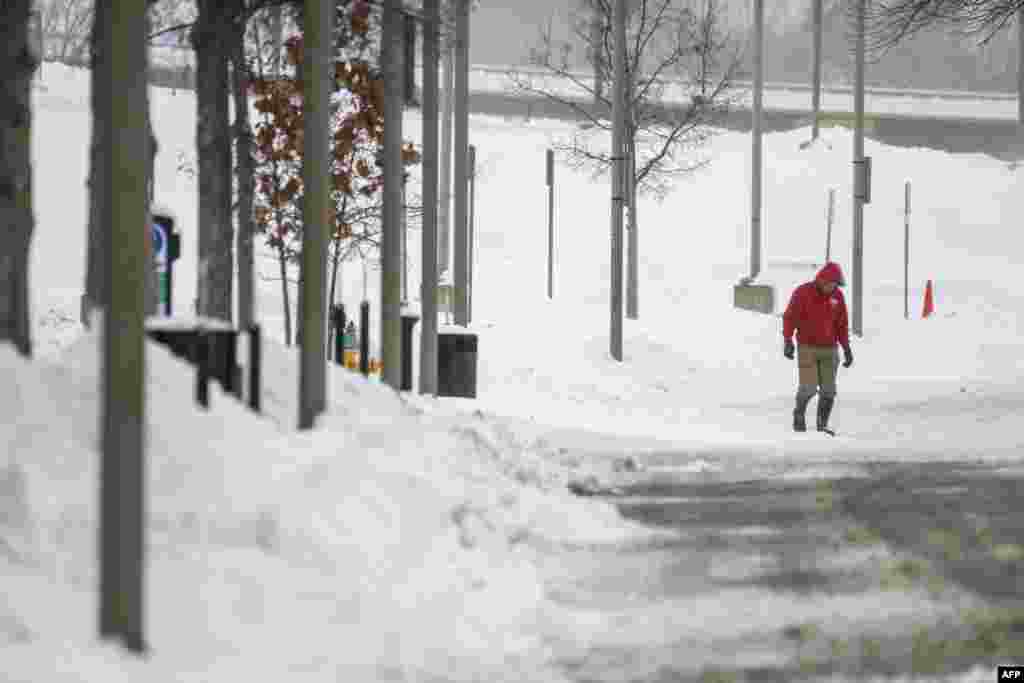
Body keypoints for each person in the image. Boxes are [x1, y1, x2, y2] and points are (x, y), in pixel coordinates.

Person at [782, 262, 854, 434]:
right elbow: (790, 317)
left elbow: (841, 324)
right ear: (822, 280)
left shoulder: (838, 297)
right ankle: (799, 414)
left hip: (829, 349)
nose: (832, 287)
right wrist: (787, 340)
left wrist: (846, 348)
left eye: (835, 285)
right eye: (830, 284)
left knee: (829, 390)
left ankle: (822, 425)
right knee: (808, 387)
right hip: (807, 347)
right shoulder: (802, 293)